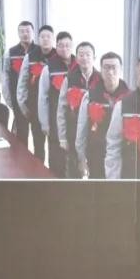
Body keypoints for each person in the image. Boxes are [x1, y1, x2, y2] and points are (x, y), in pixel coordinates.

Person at [76, 52, 130, 179]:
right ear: (100, 70)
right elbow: (81, 129)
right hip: (96, 155)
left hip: (124, 157)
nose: (110, 72)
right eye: (106, 67)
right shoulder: (90, 97)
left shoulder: (131, 98)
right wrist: (81, 158)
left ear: (121, 69)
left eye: (114, 67)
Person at [56, 41, 100, 178]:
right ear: (76, 58)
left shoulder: (101, 79)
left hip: (95, 133)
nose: (84, 58)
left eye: (88, 54)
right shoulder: (69, 79)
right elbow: (61, 109)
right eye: (81, 55)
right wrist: (62, 137)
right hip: (73, 130)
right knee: (73, 168)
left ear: (94, 57)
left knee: (95, 168)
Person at [38, 31, 75, 178]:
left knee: (73, 160)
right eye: (61, 46)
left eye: (67, 45)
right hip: (55, 122)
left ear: (72, 46)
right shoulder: (49, 68)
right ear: (56, 47)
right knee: (56, 159)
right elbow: (43, 97)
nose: (64, 49)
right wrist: (44, 124)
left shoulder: (78, 65)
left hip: (74, 122)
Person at [16, 25, 56, 162]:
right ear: (38, 39)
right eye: (42, 37)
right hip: (35, 108)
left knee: (54, 147)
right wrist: (23, 106)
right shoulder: (30, 57)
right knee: (38, 146)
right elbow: (22, 84)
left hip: (53, 111)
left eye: (48, 36)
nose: (45, 39)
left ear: (53, 39)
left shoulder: (59, 57)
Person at [3, 21, 34, 148]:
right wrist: (9, 100)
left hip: (35, 101)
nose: (25, 34)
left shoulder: (39, 52)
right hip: (17, 99)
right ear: (18, 33)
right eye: (22, 31)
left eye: (28, 31)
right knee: (22, 134)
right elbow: (5, 78)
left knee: (38, 136)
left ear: (33, 32)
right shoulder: (10, 53)